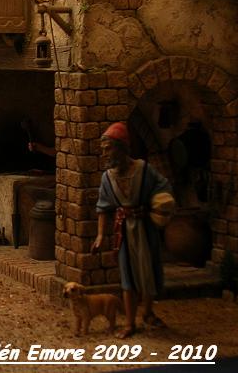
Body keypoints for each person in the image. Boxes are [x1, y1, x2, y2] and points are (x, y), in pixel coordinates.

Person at [91, 122, 171, 338]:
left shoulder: (144, 170)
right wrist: (100, 235)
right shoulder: (108, 178)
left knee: (149, 271)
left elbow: (163, 187)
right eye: (103, 149)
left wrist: (159, 206)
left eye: (108, 148)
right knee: (128, 277)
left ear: (121, 148)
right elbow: (103, 208)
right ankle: (129, 323)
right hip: (125, 232)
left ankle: (148, 313)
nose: (105, 153)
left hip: (145, 228)